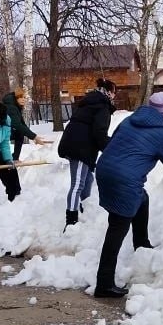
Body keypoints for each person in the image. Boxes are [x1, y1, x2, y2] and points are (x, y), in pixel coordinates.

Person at [93, 90, 163, 298]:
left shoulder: (129, 120)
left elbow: (114, 142)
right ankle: (104, 283)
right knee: (117, 227)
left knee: (142, 198)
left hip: (105, 169)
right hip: (124, 179)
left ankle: (141, 243)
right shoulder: (161, 134)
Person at [58, 78, 116, 227]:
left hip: (77, 145)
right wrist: (112, 148)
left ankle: (84, 208)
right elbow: (99, 133)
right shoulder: (102, 106)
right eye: (114, 92)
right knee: (77, 184)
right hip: (80, 148)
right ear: (108, 92)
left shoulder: (90, 102)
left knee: (88, 180)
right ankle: (71, 220)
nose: (115, 96)